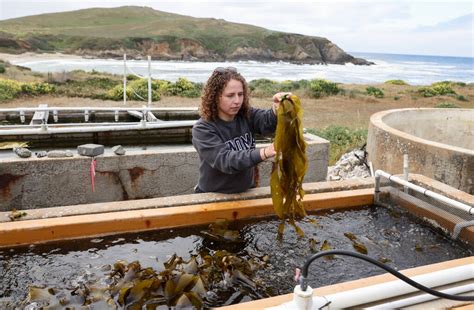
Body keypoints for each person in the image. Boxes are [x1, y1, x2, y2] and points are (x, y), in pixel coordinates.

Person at [192, 66, 290, 193]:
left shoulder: (246, 115)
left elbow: (266, 123)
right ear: (215, 97)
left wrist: (276, 109)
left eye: (241, 94)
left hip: (245, 192)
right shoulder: (203, 129)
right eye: (230, 95)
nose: (237, 101)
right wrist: (264, 153)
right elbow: (225, 161)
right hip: (213, 196)